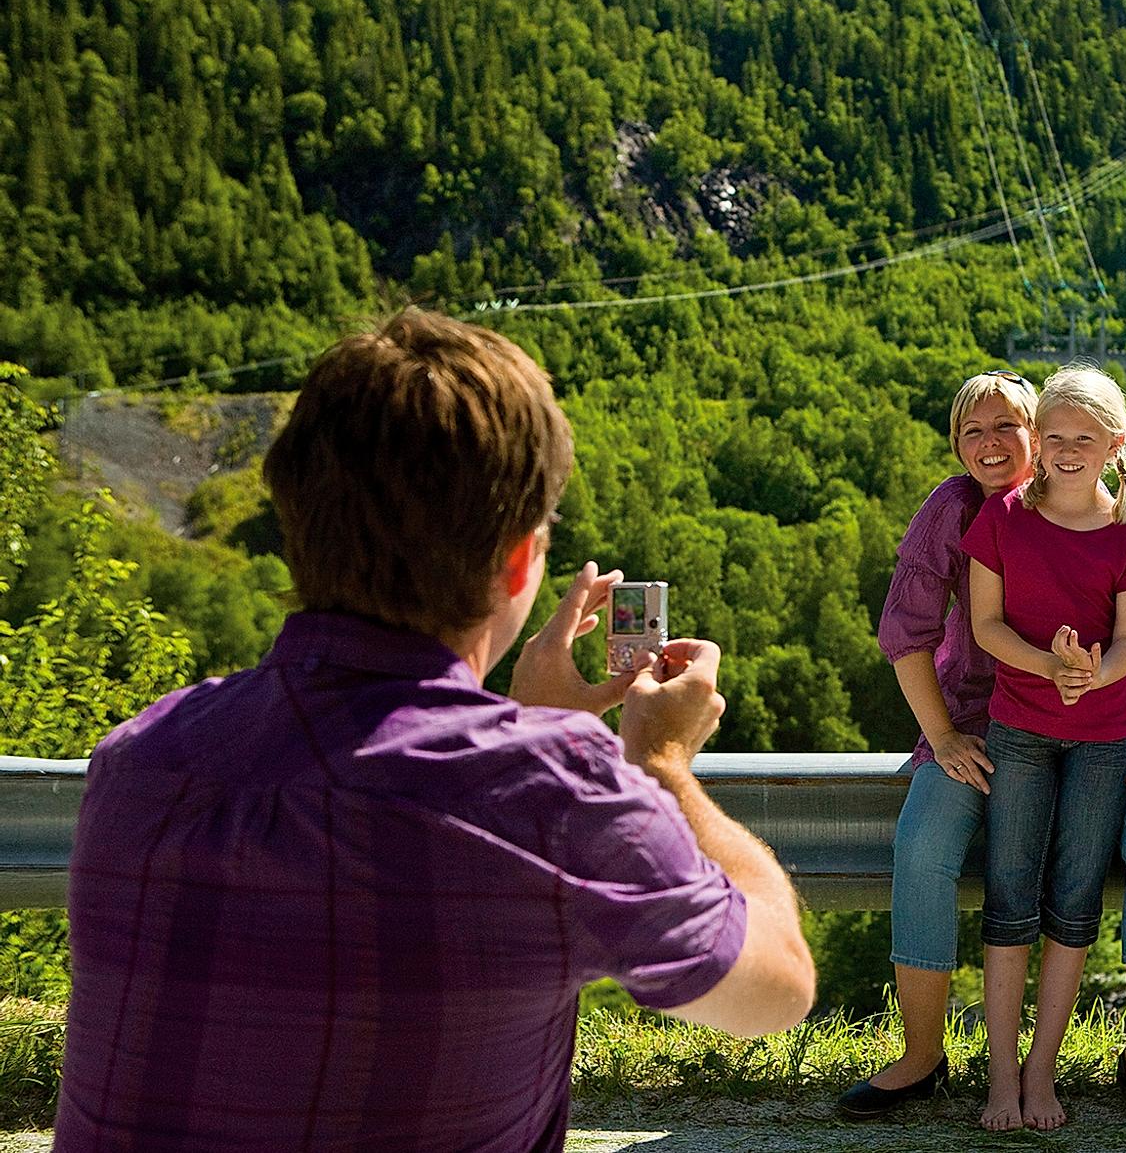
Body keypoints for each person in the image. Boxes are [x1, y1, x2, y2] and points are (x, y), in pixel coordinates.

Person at [56, 309, 815, 1152]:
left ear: (293, 521)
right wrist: (662, 764)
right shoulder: (551, 795)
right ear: (522, 561)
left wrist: (534, 723)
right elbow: (777, 991)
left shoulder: (139, 762)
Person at [835, 370, 1126, 1128]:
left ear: (1043, 434)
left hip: (1108, 721)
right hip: (974, 717)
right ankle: (924, 1053)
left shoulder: (1115, 516)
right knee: (927, 839)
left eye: (1008, 428)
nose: (991, 445)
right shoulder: (963, 510)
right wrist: (940, 737)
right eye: (972, 431)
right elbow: (906, 633)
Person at [958, 365, 1126, 1132]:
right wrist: (1052, 667)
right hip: (1020, 733)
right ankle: (1001, 1078)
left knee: (1072, 906)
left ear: (1114, 446)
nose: (1069, 451)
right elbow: (986, 626)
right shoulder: (1003, 517)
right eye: (1056, 437)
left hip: (1102, 742)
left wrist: (1091, 676)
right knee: (1009, 901)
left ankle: (1043, 1074)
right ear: (1036, 442)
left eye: (1086, 438)